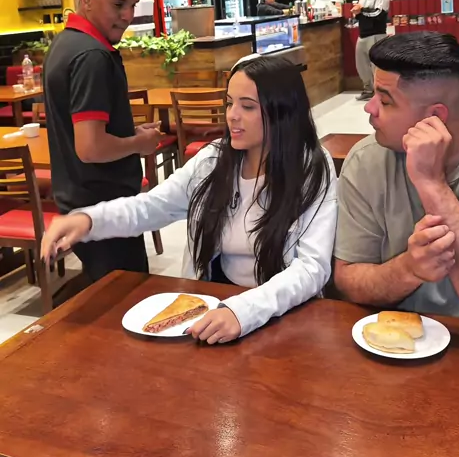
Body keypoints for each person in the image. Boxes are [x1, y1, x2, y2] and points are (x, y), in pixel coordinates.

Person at [42, 54, 338, 343]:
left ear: (283, 112)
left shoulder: (311, 167)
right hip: (214, 307)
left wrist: (244, 311)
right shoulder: (213, 161)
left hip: (281, 315)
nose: (232, 115)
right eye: (229, 103)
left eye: (247, 106)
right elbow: (151, 206)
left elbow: (311, 268)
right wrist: (89, 219)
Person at [333, 31, 459, 320]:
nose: (369, 108)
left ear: (433, 118)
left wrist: (433, 184)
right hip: (394, 336)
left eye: (385, 101)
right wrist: (409, 269)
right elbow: (347, 280)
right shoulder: (366, 162)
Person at [43, 0, 161, 283]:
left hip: (80, 198)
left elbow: (86, 130)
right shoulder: (92, 55)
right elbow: (91, 147)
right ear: (86, 0)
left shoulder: (65, 43)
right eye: (118, 4)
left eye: (133, 5)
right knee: (126, 295)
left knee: (107, 292)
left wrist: (127, 131)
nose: (127, 16)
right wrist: (140, 143)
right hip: (103, 206)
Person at [351, 0, 390, 102]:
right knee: (361, 64)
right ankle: (368, 89)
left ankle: (380, 92)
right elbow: (361, 11)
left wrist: (360, 10)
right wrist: (357, 11)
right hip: (363, 34)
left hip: (376, 34)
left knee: (376, 66)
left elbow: (379, 14)